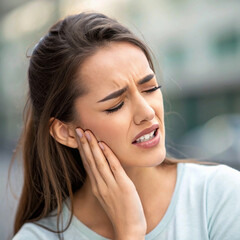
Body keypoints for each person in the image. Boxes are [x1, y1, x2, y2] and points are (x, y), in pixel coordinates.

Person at [12, 12, 240, 240]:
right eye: (116, 105)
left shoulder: (220, 196)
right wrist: (129, 233)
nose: (147, 112)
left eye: (150, 88)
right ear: (66, 132)